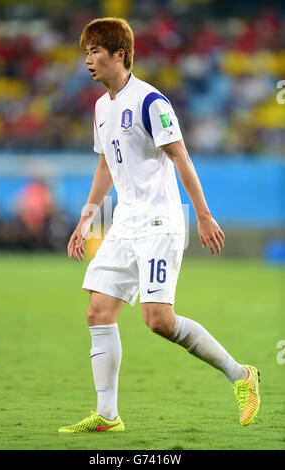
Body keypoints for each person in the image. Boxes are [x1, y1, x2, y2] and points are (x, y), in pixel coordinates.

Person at [58, 18, 260, 433]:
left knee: (158, 321)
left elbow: (181, 157)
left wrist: (203, 215)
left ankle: (241, 375)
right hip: (125, 222)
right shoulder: (101, 107)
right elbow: (105, 163)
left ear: (121, 54)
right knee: (98, 312)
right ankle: (108, 415)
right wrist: (88, 213)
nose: (89, 60)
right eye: (85, 53)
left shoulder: (152, 103)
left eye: (96, 52)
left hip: (159, 222)